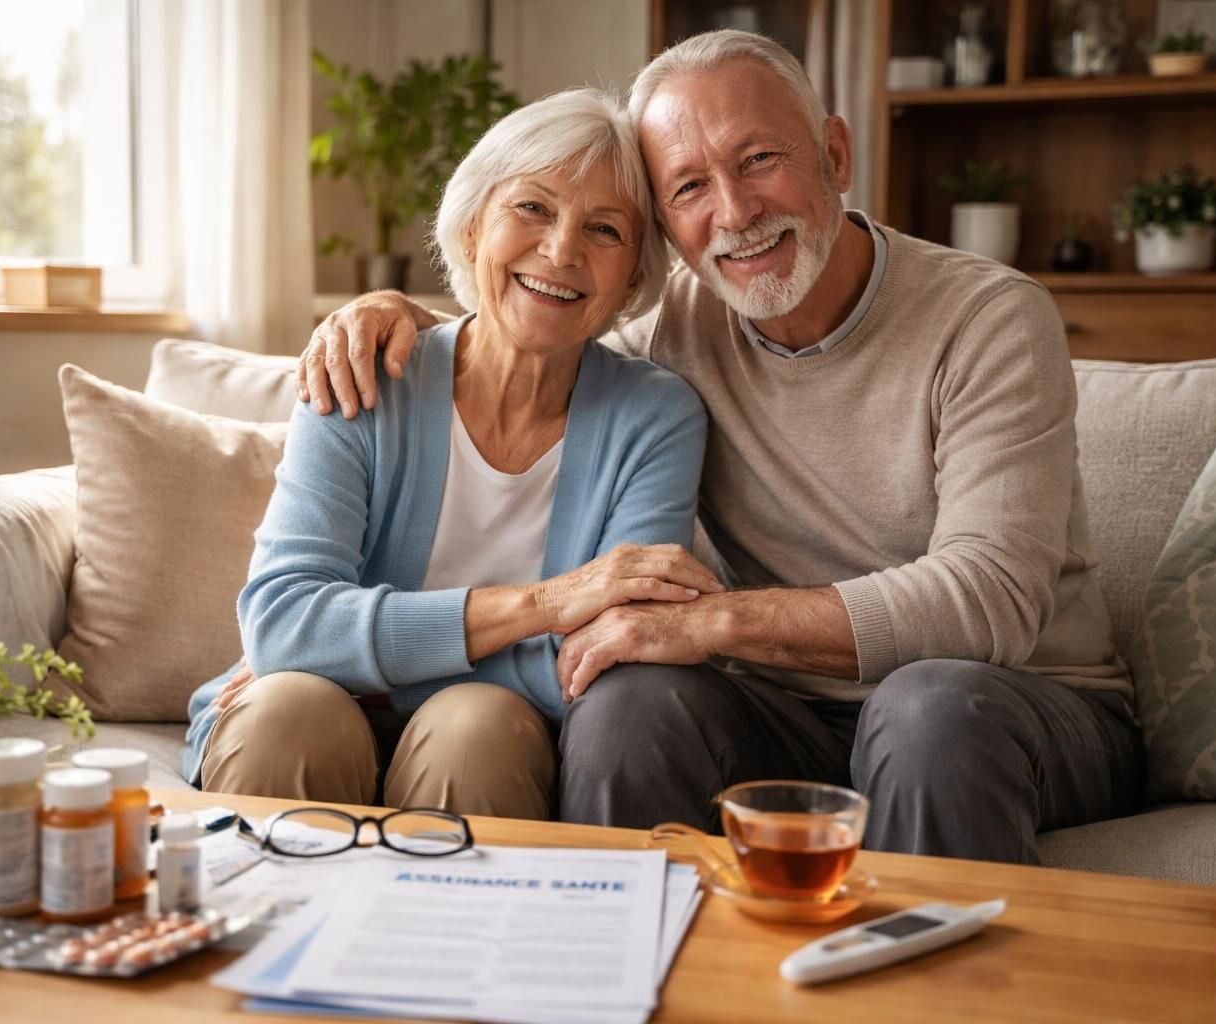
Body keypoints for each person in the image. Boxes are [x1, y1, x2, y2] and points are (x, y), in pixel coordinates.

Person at [294, 30, 1143, 865]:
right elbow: (541, 329)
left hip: (1015, 707)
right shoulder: (675, 335)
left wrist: (719, 623)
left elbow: (989, 598)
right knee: (632, 702)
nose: (735, 213)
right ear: (666, 225)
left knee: (926, 709)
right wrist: (397, 316)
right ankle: (623, 986)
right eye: (691, 185)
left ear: (835, 158)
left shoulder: (989, 319)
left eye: (759, 160)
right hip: (784, 713)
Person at [181, 88, 717, 821]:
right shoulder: (365, 367)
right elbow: (282, 625)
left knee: (474, 726)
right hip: (311, 713)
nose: (561, 250)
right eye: (532, 208)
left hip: (495, 736)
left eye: (604, 229)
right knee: (289, 711)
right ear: (471, 230)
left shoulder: (655, 417)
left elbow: (613, 650)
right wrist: (546, 606)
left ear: (632, 280)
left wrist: (363, 658)